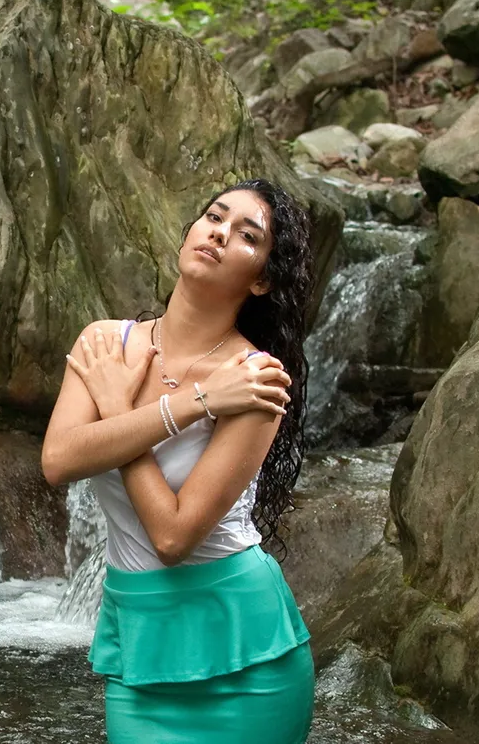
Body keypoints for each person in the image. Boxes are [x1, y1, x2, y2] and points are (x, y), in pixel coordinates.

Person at [41, 178, 316, 744]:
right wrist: (196, 403)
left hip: (248, 654)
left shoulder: (257, 379)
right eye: (214, 217)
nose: (219, 232)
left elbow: (172, 537)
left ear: (262, 278)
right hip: (141, 638)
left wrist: (119, 407)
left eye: (246, 235)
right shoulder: (104, 345)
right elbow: (59, 460)